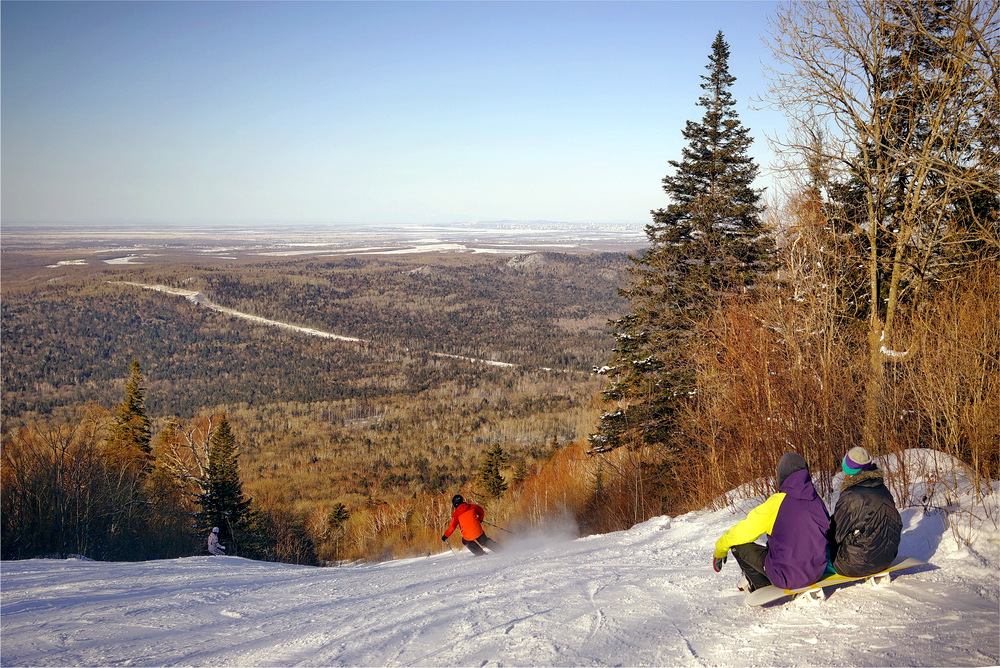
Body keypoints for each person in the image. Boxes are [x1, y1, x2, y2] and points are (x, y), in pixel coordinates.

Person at [713, 452, 830, 592]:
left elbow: (743, 532)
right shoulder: (818, 500)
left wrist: (721, 548)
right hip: (816, 573)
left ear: (782, 477)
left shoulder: (777, 503)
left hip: (785, 577)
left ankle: (760, 585)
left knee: (738, 546)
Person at [828, 446, 902, 577]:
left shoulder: (851, 495)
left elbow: (836, 535)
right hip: (887, 558)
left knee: (824, 555)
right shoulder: (883, 489)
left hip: (857, 565)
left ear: (848, 471)